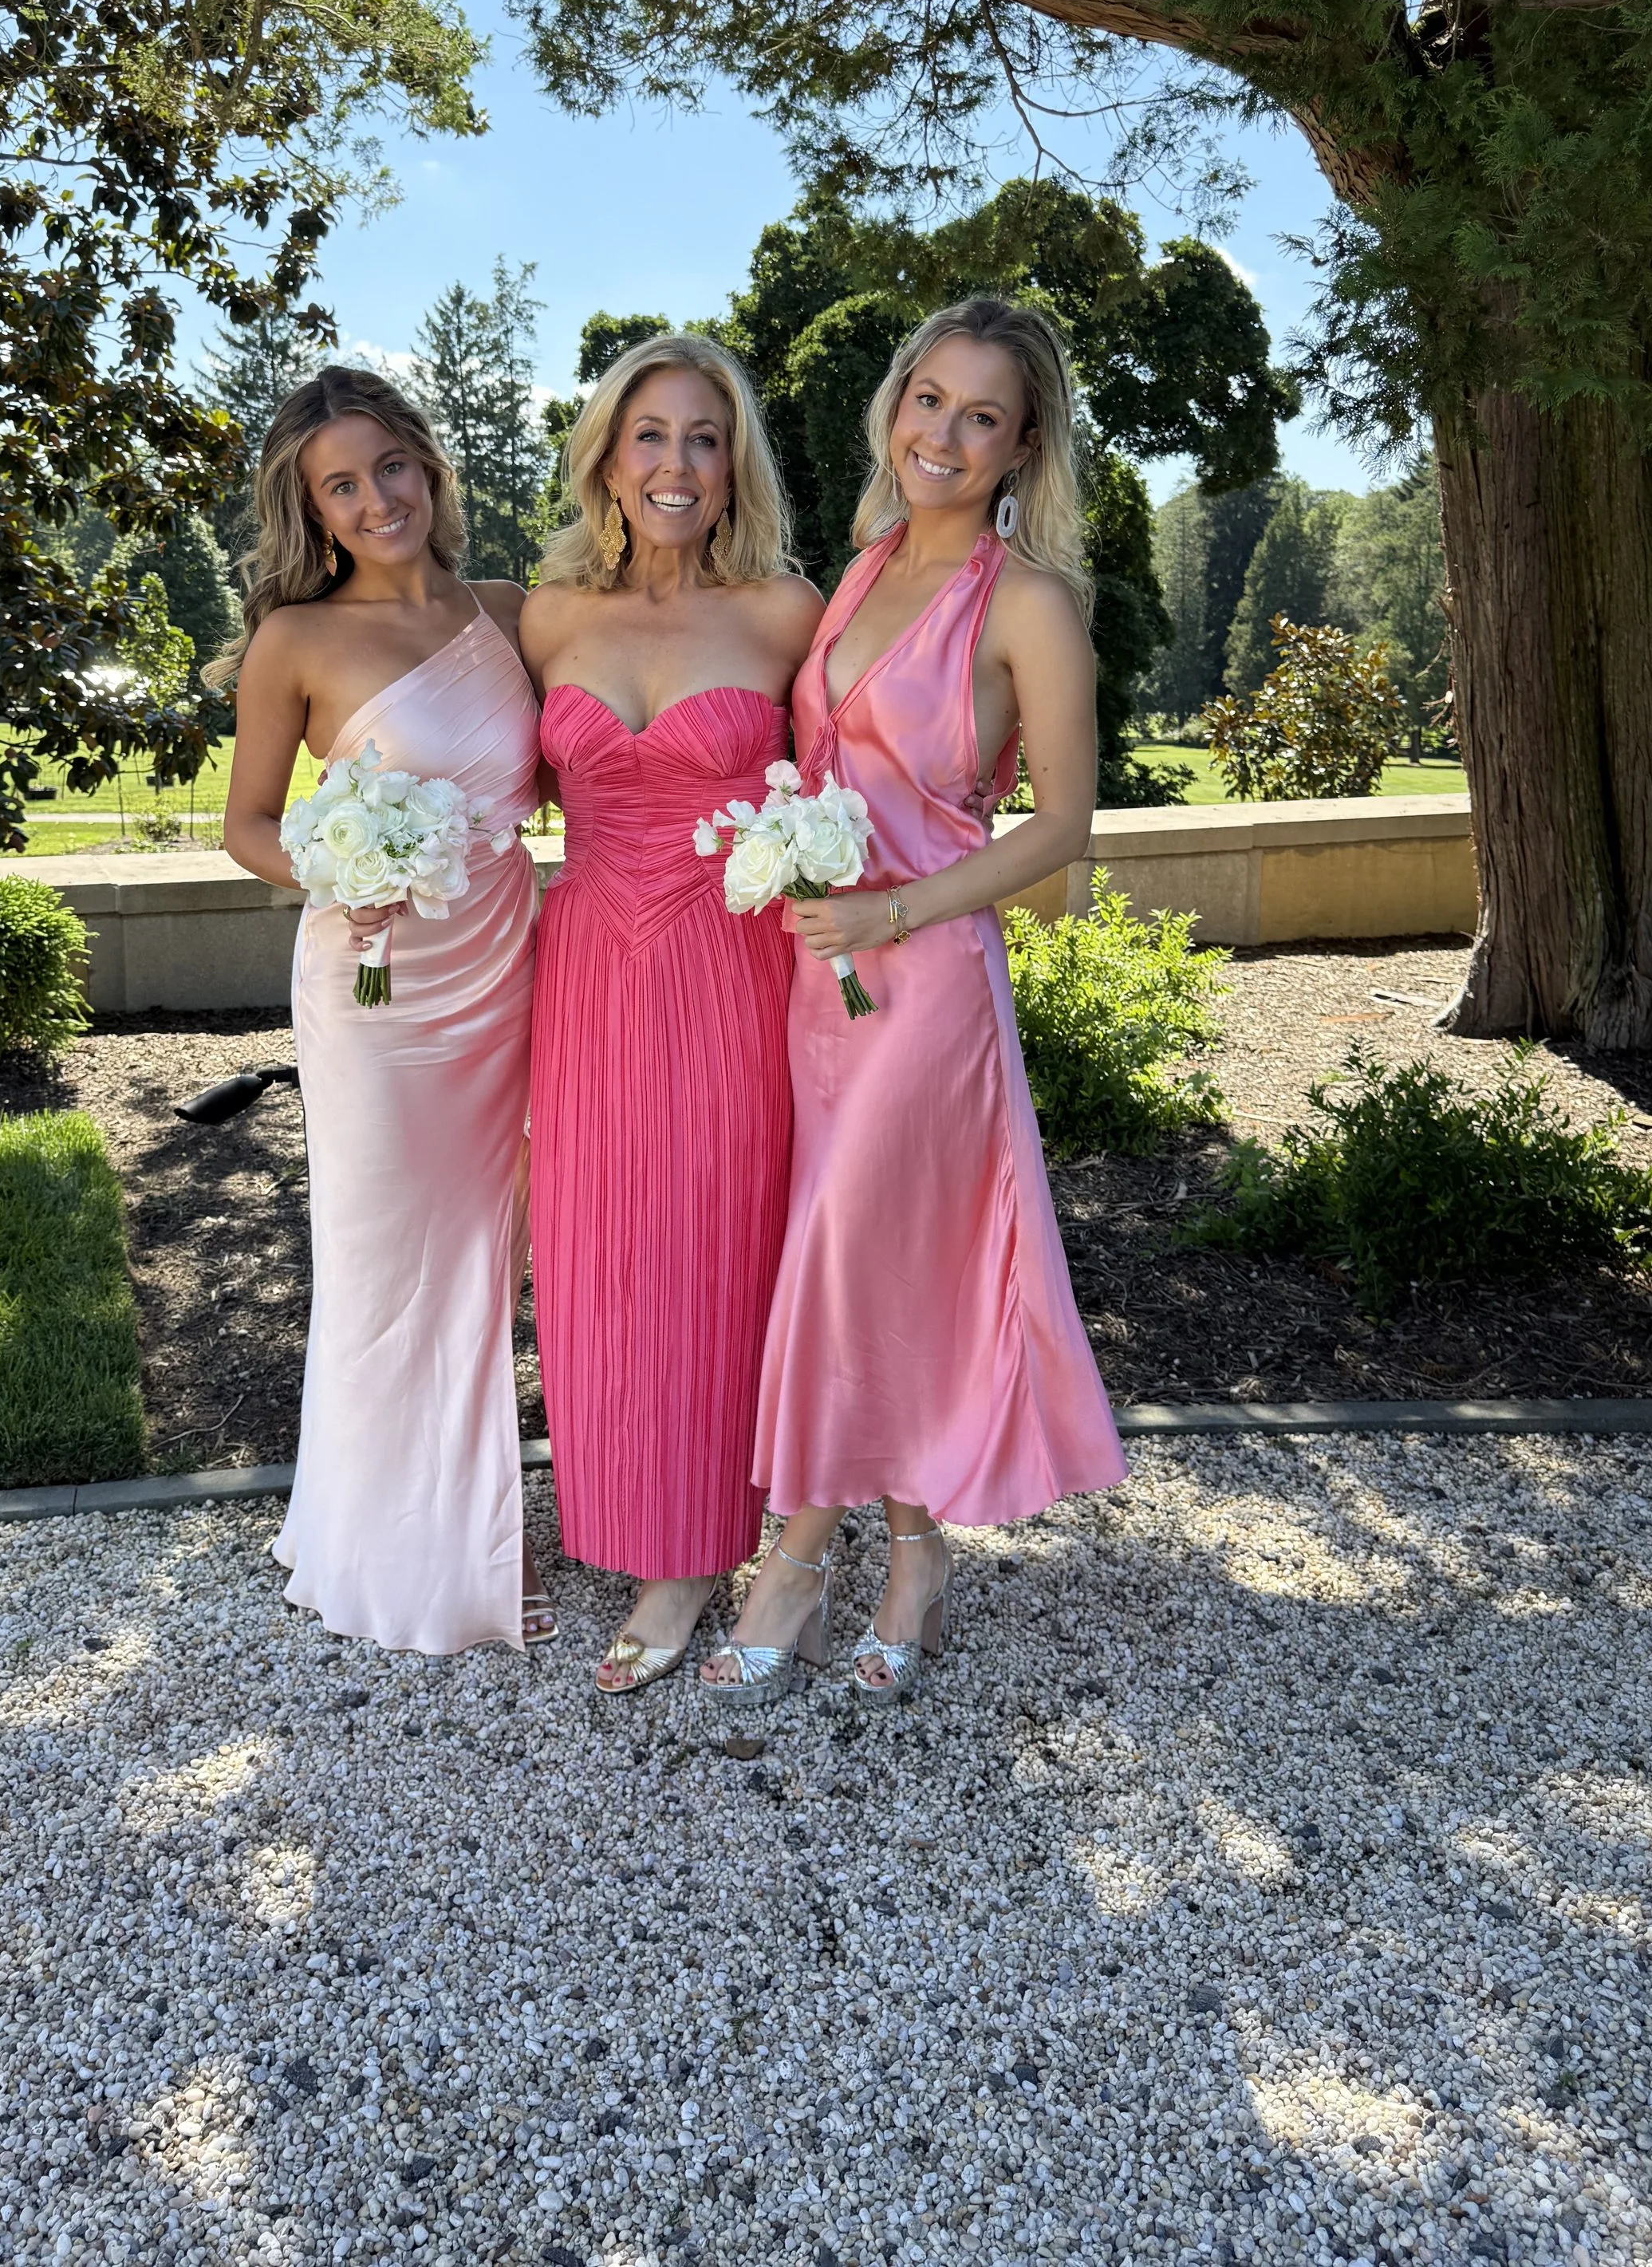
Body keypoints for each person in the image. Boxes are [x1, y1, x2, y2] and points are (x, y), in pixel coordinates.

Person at [700, 296, 1128, 1709]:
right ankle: (914, 1552)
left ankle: (799, 1559)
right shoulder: (863, 565)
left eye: (981, 415)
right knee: (872, 1264)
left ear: (1021, 448)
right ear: (898, 408)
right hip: (817, 982)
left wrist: (897, 909)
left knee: (843, 1252)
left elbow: (1062, 824)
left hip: (928, 977)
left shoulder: (1030, 603)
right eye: (928, 400)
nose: (944, 433)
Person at [215, 366, 551, 1655]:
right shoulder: (295, 640)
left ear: (429, 463)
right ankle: (398, 1559)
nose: (375, 500)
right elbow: (248, 826)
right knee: (383, 1260)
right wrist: (343, 868)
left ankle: (473, 1525)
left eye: (390, 468)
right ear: (313, 508)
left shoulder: (510, 611)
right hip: (375, 987)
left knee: (483, 1255)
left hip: (508, 968)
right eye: (340, 486)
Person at [520, 333, 826, 1695]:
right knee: (598, 1245)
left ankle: (699, 1546)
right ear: (607, 453)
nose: (677, 463)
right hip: (582, 964)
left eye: (706, 438)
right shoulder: (547, 617)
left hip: (730, 962)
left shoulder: (782, 612)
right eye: (651, 434)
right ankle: (622, 1506)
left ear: (735, 462)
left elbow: (865, 769)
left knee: (714, 1242)